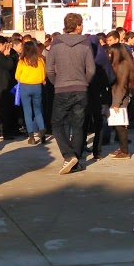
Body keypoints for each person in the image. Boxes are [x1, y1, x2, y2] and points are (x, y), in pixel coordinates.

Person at [45, 12, 96, 174]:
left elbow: (49, 69)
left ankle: (68, 155)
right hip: (81, 89)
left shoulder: (56, 43)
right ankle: (75, 159)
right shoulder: (86, 43)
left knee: (57, 123)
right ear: (78, 25)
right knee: (78, 125)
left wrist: (56, 82)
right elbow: (91, 70)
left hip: (61, 88)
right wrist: (84, 82)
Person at [15, 39, 47, 145]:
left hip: (25, 87)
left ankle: (31, 137)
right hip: (37, 86)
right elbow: (43, 75)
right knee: (38, 110)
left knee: (27, 112)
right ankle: (42, 131)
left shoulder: (22, 61)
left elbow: (17, 76)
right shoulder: (40, 60)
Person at [106, 42, 134, 159]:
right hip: (118, 96)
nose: (109, 55)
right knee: (118, 124)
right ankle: (122, 148)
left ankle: (125, 151)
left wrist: (116, 103)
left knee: (120, 125)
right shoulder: (122, 64)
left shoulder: (123, 65)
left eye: (110, 53)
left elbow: (122, 86)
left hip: (120, 98)